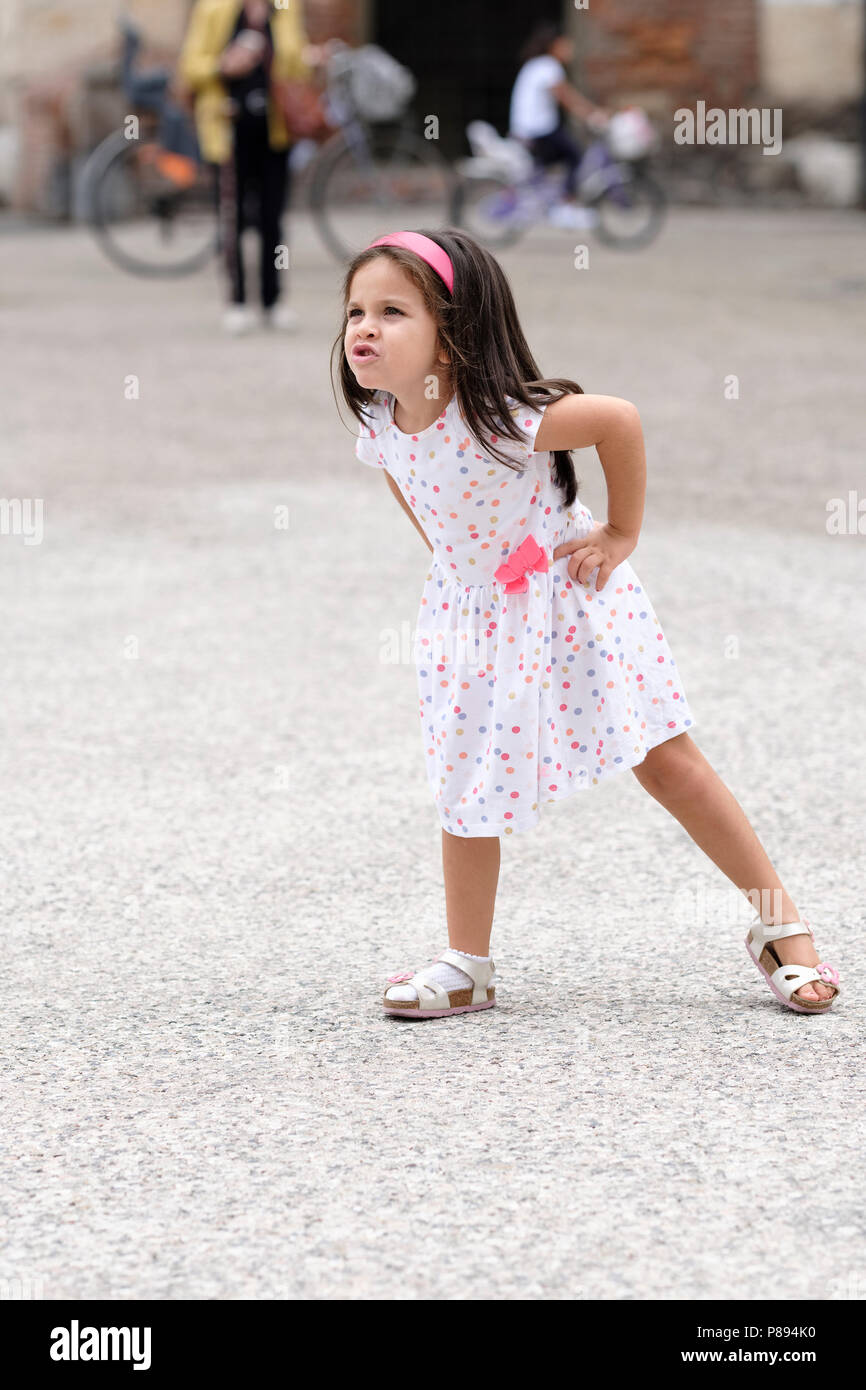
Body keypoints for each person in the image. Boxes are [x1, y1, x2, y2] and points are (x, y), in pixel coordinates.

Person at [337, 226, 841, 1019]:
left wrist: (620, 534)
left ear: (453, 334)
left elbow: (619, 421)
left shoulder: (500, 417)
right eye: (356, 311)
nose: (364, 328)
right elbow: (423, 503)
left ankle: (781, 926)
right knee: (464, 784)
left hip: (572, 602)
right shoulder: (380, 425)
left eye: (393, 311)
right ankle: (467, 963)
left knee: (667, 761)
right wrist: (468, 584)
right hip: (477, 621)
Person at [179, 0, 313, 334]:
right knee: (232, 217)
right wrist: (223, 66)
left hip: (274, 129)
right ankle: (237, 301)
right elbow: (190, 67)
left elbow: (297, 66)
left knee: (273, 218)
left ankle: (273, 300)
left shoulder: (284, 7)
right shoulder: (214, 8)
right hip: (228, 130)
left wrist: (308, 58)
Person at [508, 21, 608, 229]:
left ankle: (550, 202)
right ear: (554, 45)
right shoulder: (548, 66)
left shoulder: (535, 64)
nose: (569, 50)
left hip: (526, 131)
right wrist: (593, 115)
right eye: (565, 45)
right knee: (574, 155)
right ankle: (565, 206)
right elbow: (567, 99)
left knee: (547, 167)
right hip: (538, 131)